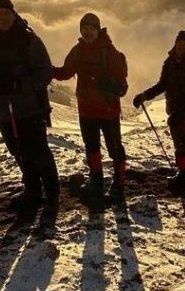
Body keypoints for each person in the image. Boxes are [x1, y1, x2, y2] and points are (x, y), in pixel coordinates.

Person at [0, 0, 59, 220]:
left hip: (30, 109)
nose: (3, 17)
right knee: (18, 152)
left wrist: (20, 84)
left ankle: (52, 198)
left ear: (14, 14)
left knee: (39, 153)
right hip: (3, 111)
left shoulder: (29, 41)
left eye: (6, 13)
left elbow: (45, 71)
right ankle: (33, 193)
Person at [53, 12, 129, 200]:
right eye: (84, 28)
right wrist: (46, 70)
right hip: (87, 110)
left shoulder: (109, 52)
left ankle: (119, 183)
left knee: (114, 148)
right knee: (92, 146)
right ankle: (97, 180)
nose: (87, 32)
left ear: (98, 30)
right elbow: (65, 72)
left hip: (107, 110)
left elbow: (122, 85)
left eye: (91, 28)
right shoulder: (78, 51)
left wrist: (111, 86)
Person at [133, 30, 185, 196]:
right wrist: (144, 96)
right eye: (179, 44)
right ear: (175, 43)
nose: (181, 47)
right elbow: (162, 84)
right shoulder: (169, 63)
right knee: (181, 147)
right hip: (175, 114)